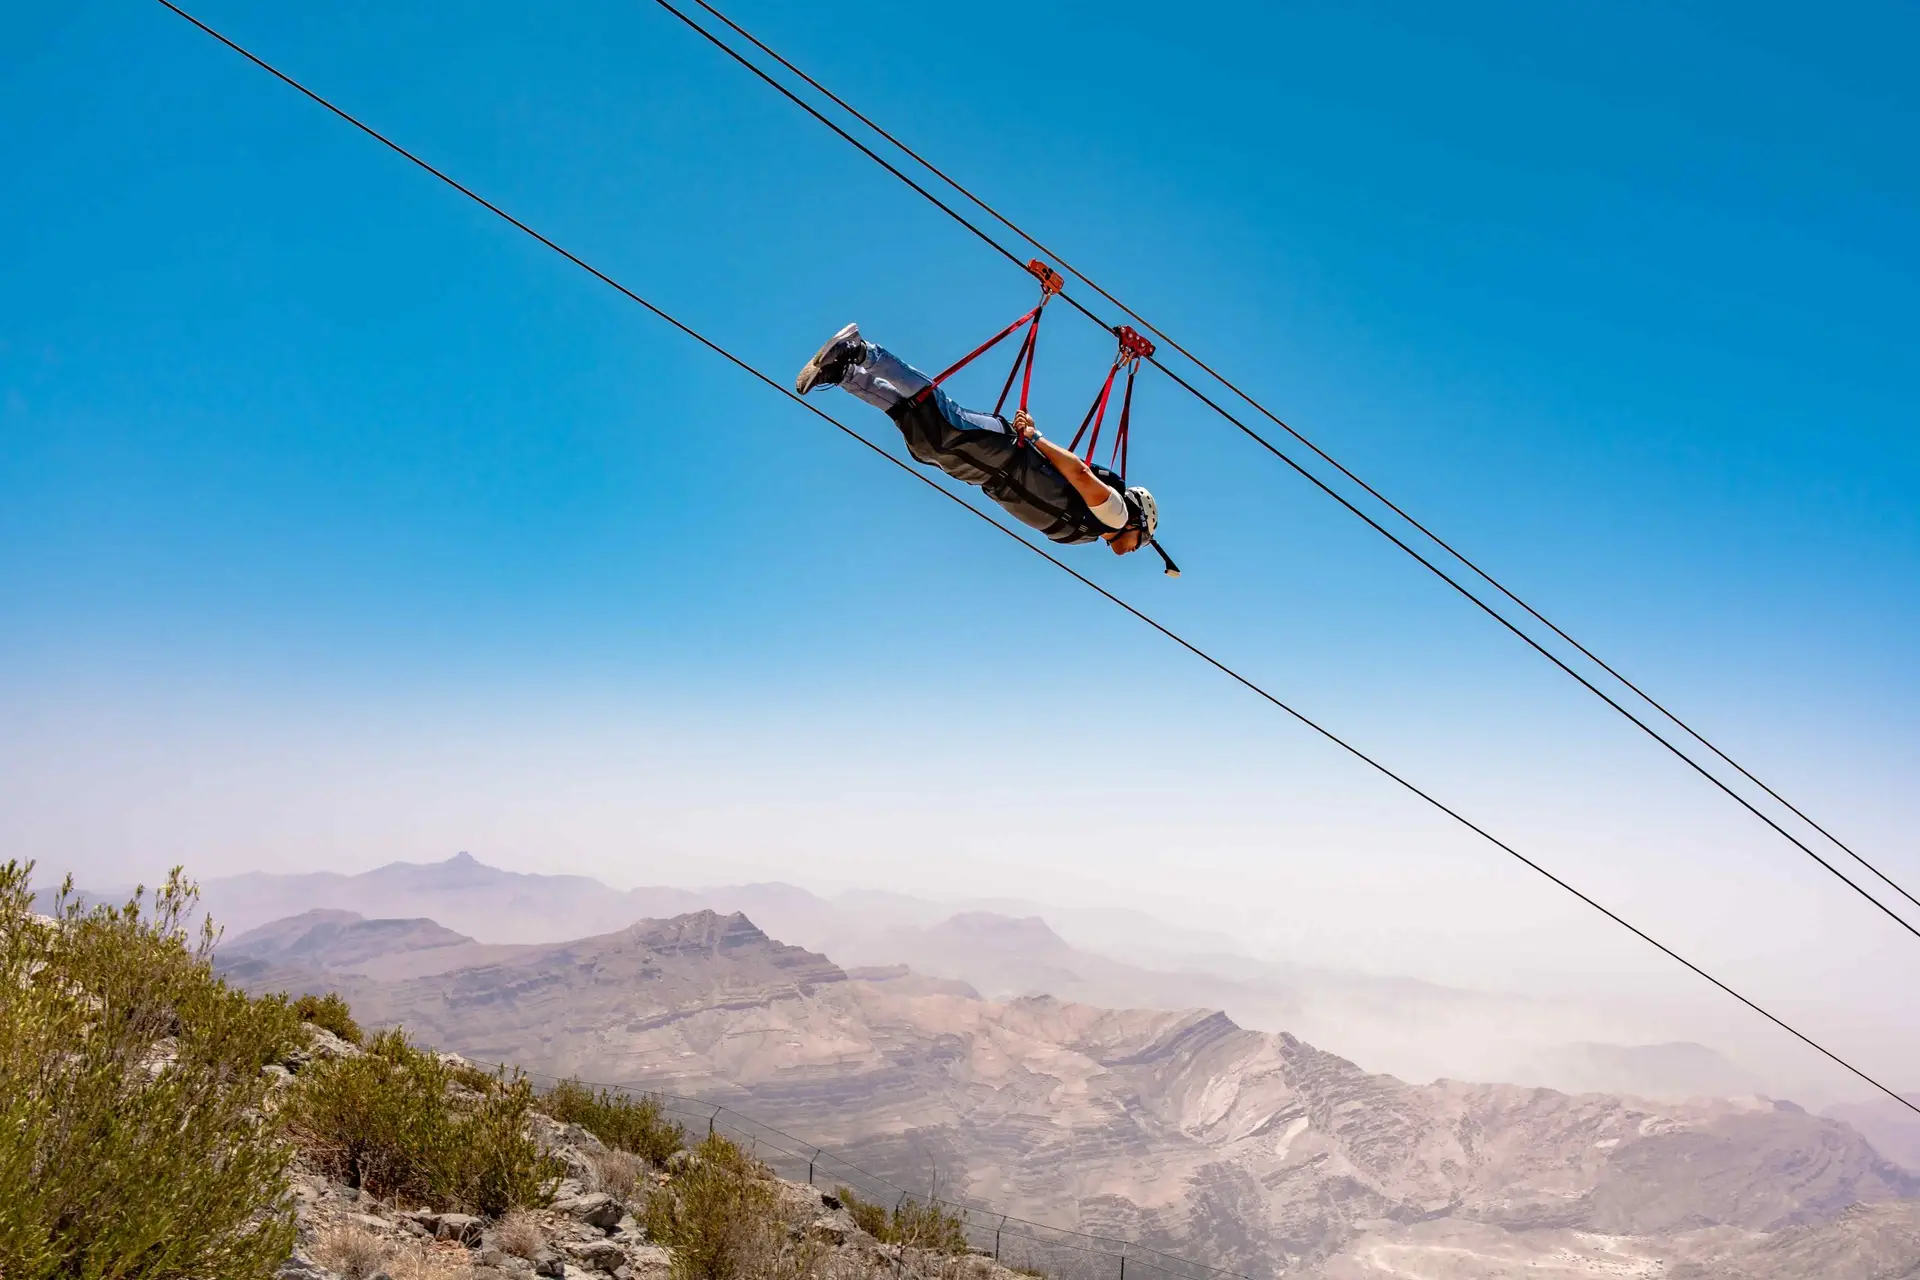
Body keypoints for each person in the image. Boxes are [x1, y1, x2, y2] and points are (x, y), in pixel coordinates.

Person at [795, 323, 1159, 557]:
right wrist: (1035, 436)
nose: (1133, 551)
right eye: (1140, 543)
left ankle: (844, 374)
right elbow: (1078, 473)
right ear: (1136, 523)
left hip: (991, 475)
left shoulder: (1090, 533)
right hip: (1007, 454)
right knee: (945, 422)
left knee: (925, 444)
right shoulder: (1115, 514)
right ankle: (863, 352)